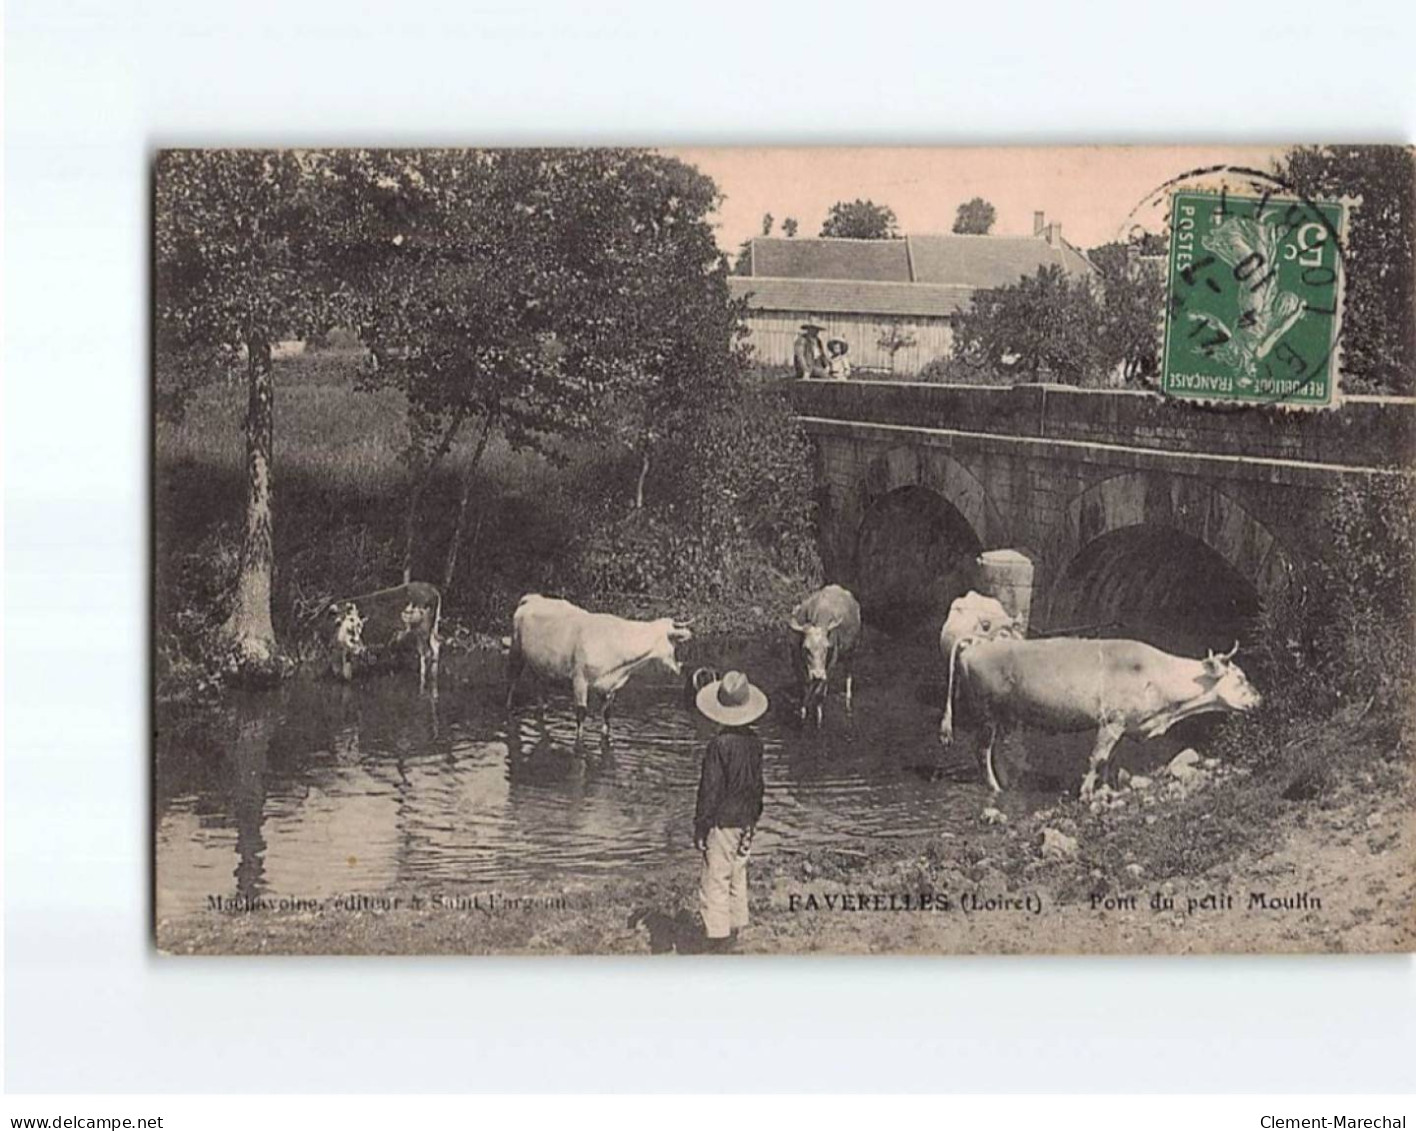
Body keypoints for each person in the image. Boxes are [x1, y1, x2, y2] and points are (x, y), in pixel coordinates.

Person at [693, 669, 768, 953]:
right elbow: (758, 786)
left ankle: (717, 939)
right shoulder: (756, 743)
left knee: (715, 879)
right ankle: (735, 928)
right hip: (747, 818)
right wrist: (754, 818)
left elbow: (709, 791)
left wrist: (701, 826)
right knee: (738, 873)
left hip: (723, 821)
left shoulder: (719, 745)